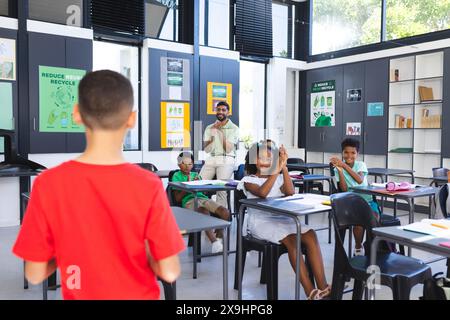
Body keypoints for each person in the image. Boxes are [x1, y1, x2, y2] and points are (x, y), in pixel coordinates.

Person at [12, 70, 185, 300]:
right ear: (131, 119)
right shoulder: (148, 185)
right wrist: (146, 249)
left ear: (76, 114)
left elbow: (34, 273)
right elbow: (170, 271)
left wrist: (64, 247)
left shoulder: (48, 184)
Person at [238, 140, 330, 300]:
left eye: (270, 158)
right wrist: (276, 171)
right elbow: (263, 193)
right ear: (253, 160)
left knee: (310, 234)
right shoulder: (248, 180)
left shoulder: (279, 177)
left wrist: (284, 167)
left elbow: (290, 192)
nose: (266, 162)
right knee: (292, 241)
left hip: (282, 219)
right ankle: (310, 291)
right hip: (260, 223)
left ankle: (323, 287)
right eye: (261, 158)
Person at [172, 151, 230, 253]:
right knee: (203, 212)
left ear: (193, 165)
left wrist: (201, 184)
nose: (187, 167)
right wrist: (188, 185)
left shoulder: (196, 174)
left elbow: (203, 191)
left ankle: (219, 239)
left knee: (225, 212)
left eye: (190, 164)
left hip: (202, 198)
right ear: (178, 164)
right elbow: (177, 199)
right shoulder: (176, 176)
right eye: (184, 164)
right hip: (189, 200)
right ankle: (214, 242)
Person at [330, 138, 380, 256]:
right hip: (350, 204)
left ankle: (374, 249)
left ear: (357, 154)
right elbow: (344, 189)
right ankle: (358, 246)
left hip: (367, 201)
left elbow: (359, 180)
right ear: (342, 153)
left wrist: (344, 166)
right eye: (346, 152)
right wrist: (341, 171)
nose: (349, 155)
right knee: (358, 221)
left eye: (353, 153)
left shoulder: (361, 164)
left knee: (374, 218)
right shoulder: (338, 169)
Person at [201, 101, 239, 209]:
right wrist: (213, 135)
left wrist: (219, 131)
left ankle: (221, 219)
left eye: (223, 110)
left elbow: (228, 149)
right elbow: (207, 150)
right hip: (212, 158)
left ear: (228, 112)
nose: (220, 112)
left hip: (227, 158)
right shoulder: (209, 128)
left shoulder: (234, 128)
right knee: (198, 184)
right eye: (218, 109)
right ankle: (203, 211)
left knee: (221, 188)